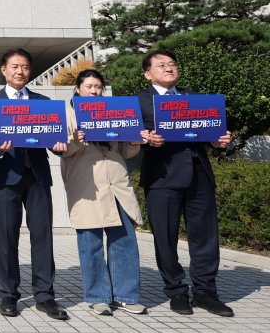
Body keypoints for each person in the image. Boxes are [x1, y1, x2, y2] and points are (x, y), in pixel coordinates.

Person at [137, 49, 234, 317]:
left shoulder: (194, 99)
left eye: (172, 64)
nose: (169, 68)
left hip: (199, 174)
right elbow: (129, 136)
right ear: (148, 73)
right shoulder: (139, 101)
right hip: (162, 177)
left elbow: (209, 133)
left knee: (205, 236)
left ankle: (206, 292)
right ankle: (177, 291)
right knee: (165, 238)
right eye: (161, 65)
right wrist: (145, 139)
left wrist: (219, 140)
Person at [0, 48, 69, 320]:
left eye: (25, 67)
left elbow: (56, 137)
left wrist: (59, 146)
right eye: (15, 66)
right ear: (4, 70)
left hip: (37, 176)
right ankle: (9, 294)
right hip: (6, 176)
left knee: (43, 236)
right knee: (7, 236)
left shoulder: (43, 101)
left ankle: (45, 295)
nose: (20, 71)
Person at [61, 69, 147, 316]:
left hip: (116, 183)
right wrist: (76, 139)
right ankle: (98, 296)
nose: (94, 90)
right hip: (87, 185)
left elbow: (125, 151)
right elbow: (61, 149)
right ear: (77, 89)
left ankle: (126, 296)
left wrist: (134, 142)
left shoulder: (114, 112)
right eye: (88, 86)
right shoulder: (68, 113)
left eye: (98, 86)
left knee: (124, 241)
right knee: (91, 243)